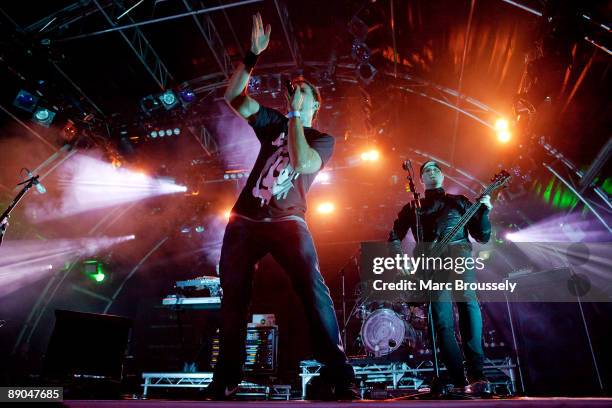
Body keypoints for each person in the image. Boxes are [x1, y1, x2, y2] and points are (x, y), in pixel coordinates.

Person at [205, 13, 358, 400]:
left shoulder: (321, 138)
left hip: (289, 219)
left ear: (314, 103)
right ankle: (225, 379)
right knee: (234, 295)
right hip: (244, 219)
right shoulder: (273, 122)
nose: (295, 89)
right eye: (294, 88)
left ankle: (340, 373)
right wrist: (252, 55)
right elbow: (234, 97)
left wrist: (293, 117)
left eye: (302, 89)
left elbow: (302, 161)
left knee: (311, 286)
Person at [388, 160, 493, 394]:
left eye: (436, 169)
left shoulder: (459, 202)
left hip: (459, 257)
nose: (432, 172)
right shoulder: (413, 208)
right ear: (421, 179)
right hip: (431, 265)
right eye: (427, 170)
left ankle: (477, 374)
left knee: (468, 306)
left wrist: (485, 211)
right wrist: (400, 259)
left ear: (443, 177)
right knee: (441, 321)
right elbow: (394, 235)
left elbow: (483, 235)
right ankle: (458, 380)